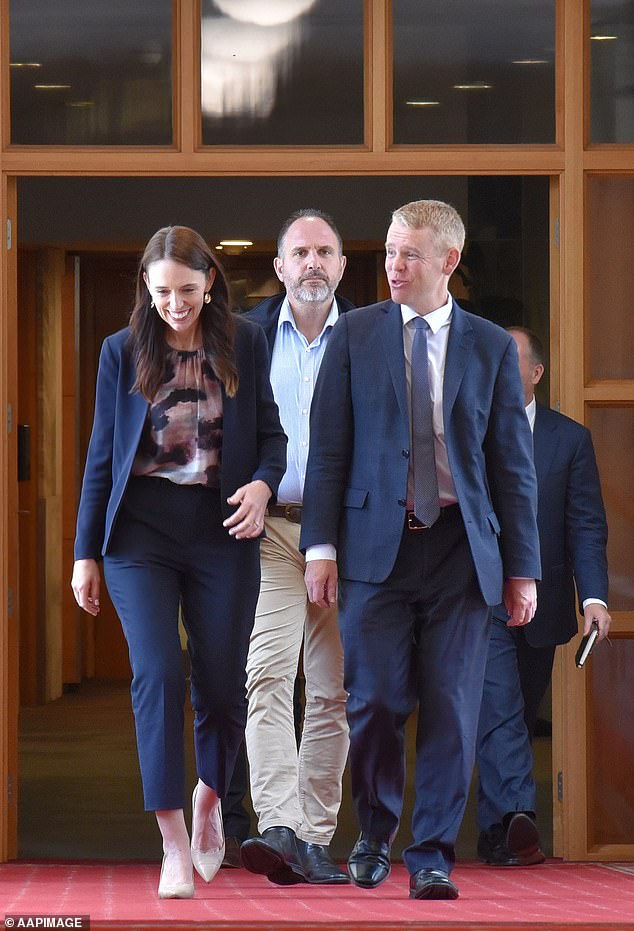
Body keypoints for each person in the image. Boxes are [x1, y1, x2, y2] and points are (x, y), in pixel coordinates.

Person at [300, 199, 541, 901]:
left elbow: (511, 466)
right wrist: (319, 546)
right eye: (389, 251)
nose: (394, 266)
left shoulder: (491, 346)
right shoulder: (355, 336)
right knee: (374, 700)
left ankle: (430, 851)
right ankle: (374, 833)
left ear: (448, 261)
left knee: (452, 704)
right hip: (376, 548)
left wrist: (522, 567)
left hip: (462, 553)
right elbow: (328, 451)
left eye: (409, 254)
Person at [71, 226, 287, 899]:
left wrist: (263, 483)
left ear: (210, 283)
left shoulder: (245, 343)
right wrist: (85, 553)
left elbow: (274, 437)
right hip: (139, 534)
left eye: (187, 290)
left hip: (222, 529)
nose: (174, 303)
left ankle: (209, 797)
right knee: (160, 673)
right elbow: (103, 456)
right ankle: (169, 836)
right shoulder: (122, 351)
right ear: (147, 286)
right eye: (162, 291)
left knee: (222, 685)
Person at [239, 209, 352, 885]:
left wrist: (341, 538)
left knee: (334, 690)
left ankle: (314, 835)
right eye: (300, 252)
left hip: (341, 536)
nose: (312, 263)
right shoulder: (245, 336)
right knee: (268, 672)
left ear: (341, 265)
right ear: (279, 267)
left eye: (325, 252)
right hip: (269, 532)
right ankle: (278, 822)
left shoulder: (369, 338)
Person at [475, 326, 610, 866]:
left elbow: (585, 526)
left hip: (544, 600)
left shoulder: (569, 439)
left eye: (511, 362)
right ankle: (518, 817)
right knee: (501, 707)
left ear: (535, 374)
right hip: (479, 596)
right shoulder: (467, 431)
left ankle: (496, 832)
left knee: (516, 712)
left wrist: (594, 597)